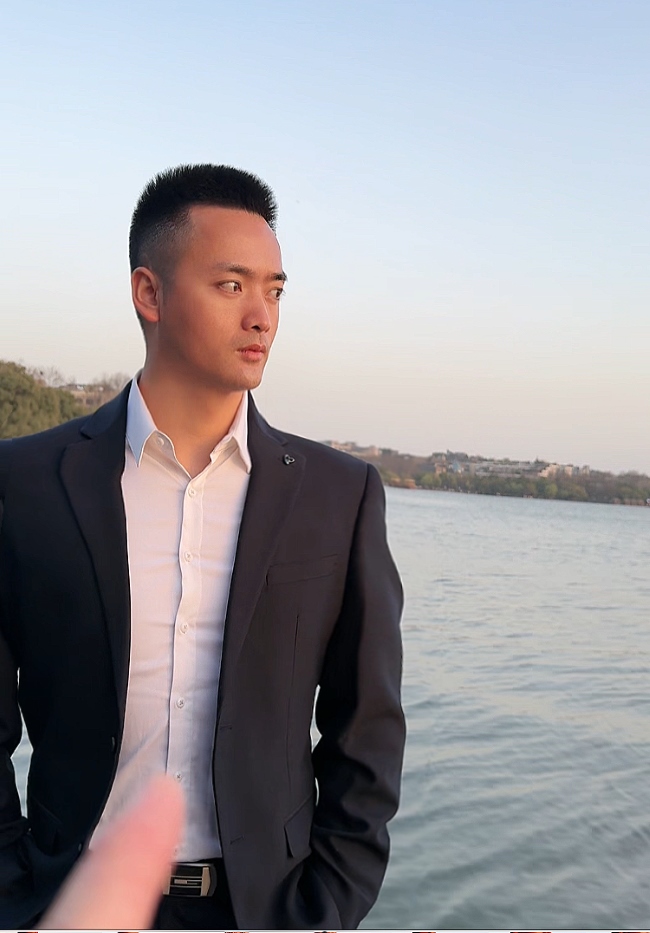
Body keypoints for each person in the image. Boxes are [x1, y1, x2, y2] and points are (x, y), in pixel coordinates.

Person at [0, 163, 405, 930]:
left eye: (274, 291)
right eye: (231, 285)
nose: (262, 316)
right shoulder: (25, 484)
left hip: (264, 911)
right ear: (149, 293)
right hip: (69, 900)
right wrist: (17, 891)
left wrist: (325, 905)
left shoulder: (338, 497)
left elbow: (368, 728)